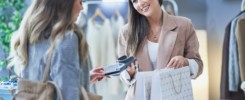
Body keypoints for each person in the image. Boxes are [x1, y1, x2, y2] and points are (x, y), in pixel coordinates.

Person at [8, 0, 104, 100]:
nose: (82, 8)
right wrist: (74, 82)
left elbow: (40, 84)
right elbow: (68, 93)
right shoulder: (66, 38)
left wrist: (78, 77)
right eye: (80, 2)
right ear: (66, 3)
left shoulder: (29, 36)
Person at [118, 0, 203, 99]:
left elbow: (199, 65)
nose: (140, 4)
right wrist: (128, 73)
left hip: (173, 96)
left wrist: (185, 62)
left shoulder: (184, 25)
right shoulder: (126, 32)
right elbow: (121, 71)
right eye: (135, 1)